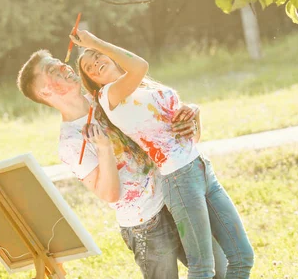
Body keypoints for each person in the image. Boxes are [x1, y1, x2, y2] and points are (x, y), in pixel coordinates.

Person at [16, 50, 227, 279]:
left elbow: (170, 133)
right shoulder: (71, 142)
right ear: (45, 91)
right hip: (146, 225)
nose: (64, 68)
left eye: (60, 63)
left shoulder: (104, 94)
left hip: (175, 195)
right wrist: (105, 148)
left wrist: (192, 116)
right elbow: (109, 194)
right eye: (52, 70)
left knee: (221, 270)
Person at [73, 30, 254, 279]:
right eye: (89, 67)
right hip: (179, 180)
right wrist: (93, 43)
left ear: (111, 55)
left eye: (96, 56)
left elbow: (187, 138)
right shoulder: (109, 96)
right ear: (92, 81)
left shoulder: (146, 86)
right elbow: (140, 65)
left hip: (200, 167)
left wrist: (194, 113)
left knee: (242, 257)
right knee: (202, 268)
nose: (94, 62)